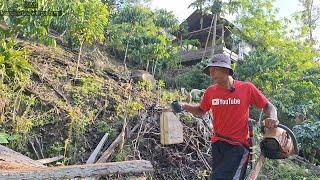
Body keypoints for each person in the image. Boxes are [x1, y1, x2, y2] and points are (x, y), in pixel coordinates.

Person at [171, 54, 278, 180]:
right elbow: (201, 110)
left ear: (227, 70)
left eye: (215, 69)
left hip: (237, 146)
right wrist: (184, 106)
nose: (211, 72)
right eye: (210, 70)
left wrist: (272, 118)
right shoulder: (210, 91)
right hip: (218, 144)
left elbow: (268, 106)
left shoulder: (246, 88)